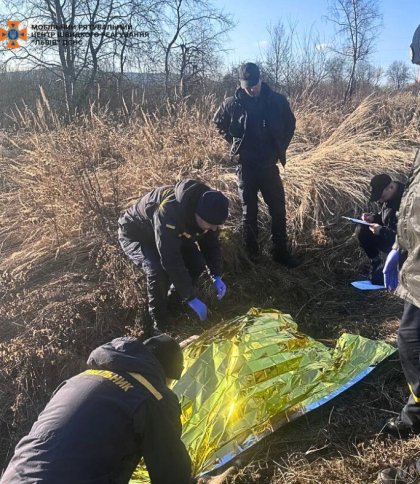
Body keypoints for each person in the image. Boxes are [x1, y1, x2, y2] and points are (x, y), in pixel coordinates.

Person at [0, 335, 192, 483]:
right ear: (164, 374)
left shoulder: (79, 379)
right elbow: (172, 472)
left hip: (16, 475)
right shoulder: (152, 395)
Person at [213, 62, 298, 267]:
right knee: (248, 213)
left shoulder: (277, 101)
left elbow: (290, 123)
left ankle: (280, 252)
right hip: (246, 167)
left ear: (261, 79)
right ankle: (252, 256)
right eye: (247, 86)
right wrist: (234, 143)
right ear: (241, 84)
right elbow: (218, 122)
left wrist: (280, 147)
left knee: (278, 210)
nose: (251, 89)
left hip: (269, 166)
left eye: (254, 85)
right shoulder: (232, 103)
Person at [118, 179, 229, 335]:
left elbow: (210, 244)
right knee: (157, 270)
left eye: (216, 225)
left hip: (170, 234)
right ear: (198, 215)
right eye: (211, 224)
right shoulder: (169, 212)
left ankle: (174, 305)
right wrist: (190, 297)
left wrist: (216, 275)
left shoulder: (209, 207)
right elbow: (170, 259)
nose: (214, 228)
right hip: (138, 235)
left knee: (197, 263)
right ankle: (159, 324)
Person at [378, 151, 420, 484]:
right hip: (417, 271)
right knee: (409, 341)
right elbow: (412, 209)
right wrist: (398, 245)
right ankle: (415, 412)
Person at [356, 173, 405, 284]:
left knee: (377, 280)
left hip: (402, 248)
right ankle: (376, 261)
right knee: (362, 228)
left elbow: (406, 237)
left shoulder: (406, 202)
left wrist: (381, 231)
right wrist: (374, 217)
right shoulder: (390, 196)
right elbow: (387, 216)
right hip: (389, 238)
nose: (380, 201)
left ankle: (395, 268)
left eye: (382, 197)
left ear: (391, 187)